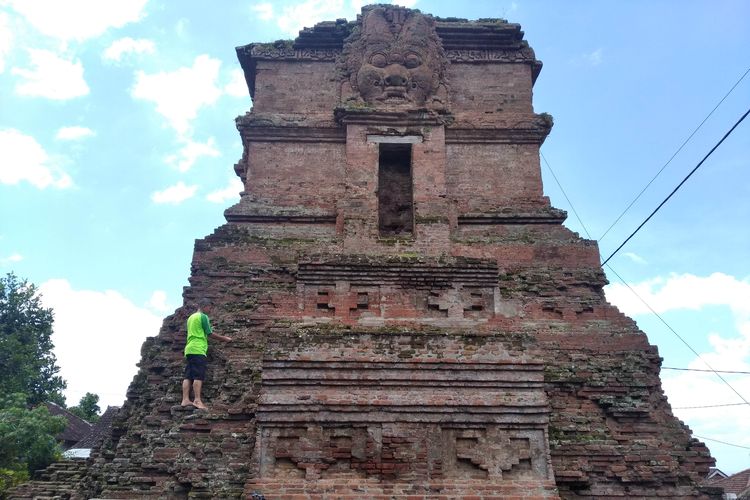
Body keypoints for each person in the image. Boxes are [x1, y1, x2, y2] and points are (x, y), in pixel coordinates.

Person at [181, 299, 231, 409]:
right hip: (198, 349)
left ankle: (185, 399)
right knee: (198, 375)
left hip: (189, 349)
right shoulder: (203, 317)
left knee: (188, 375)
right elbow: (209, 333)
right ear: (204, 306)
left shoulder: (191, 317)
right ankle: (197, 400)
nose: (210, 310)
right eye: (210, 308)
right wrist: (225, 339)